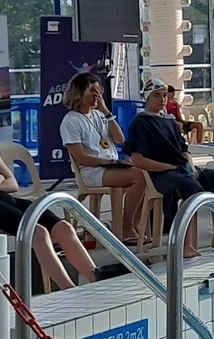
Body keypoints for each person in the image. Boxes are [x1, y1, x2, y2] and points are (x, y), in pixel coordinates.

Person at [0, 103, 99, 295]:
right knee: (37, 232)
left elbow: (12, 184)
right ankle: (69, 290)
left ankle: (96, 278)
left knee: (64, 227)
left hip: (8, 201)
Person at [124, 84, 214, 257]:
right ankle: (186, 244)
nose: (162, 99)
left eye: (164, 95)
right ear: (147, 98)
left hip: (181, 169)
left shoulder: (169, 120)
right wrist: (170, 167)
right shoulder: (140, 122)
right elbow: (138, 160)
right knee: (190, 187)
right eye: (156, 95)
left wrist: (190, 165)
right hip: (160, 174)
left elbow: (184, 149)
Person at [60, 72, 149, 246]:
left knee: (147, 174)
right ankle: (125, 227)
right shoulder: (70, 121)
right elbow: (81, 158)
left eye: (99, 90)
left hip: (111, 166)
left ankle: (134, 224)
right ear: (79, 93)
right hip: (92, 171)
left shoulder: (99, 115)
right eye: (92, 91)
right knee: (139, 176)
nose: (98, 95)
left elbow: (119, 139)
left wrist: (107, 113)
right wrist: (113, 163)